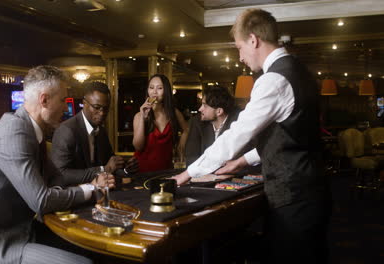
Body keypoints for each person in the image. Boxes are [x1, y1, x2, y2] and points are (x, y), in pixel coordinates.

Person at [174, 9, 330, 264]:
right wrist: (241, 162)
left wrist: (188, 173)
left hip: (294, 196)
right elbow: (290, 136)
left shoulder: (273, 80)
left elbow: (236, 135)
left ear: (253, 40)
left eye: (239, 47)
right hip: (311, 190)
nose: (240, 57)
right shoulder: (299, 70)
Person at [0, 66, 113, 264]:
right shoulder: (13, 132)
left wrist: (95, 181)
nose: (67, 107)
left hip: (26, 228)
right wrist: (91, 189)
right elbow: (41, 201)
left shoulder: (32, 129)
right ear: (44, 100)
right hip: (1, 243)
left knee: (94, 250)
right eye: (63, 100)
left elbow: (57, 178)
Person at [51, 81, 138, 185]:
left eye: (105, 109)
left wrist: (125, 170)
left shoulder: (101, 131)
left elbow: (111, 164)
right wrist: (103, 169)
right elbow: (61, 174)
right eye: (96, 107)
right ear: (84, 103)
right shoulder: (67, 130)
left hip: (100, 192)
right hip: (74, 195)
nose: (102, 113)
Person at [132, 74, 189, 172]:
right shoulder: (139, 115)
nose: (154, 92)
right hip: (142, 171)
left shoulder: (173, 113)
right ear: (148, 90)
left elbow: (186, 129)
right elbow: (138, 146)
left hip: (166, 170)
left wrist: (181, 146)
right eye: (151, 87)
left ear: (165, 91)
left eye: (159, 88)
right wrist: (143, 117)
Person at [185, 85, 240, 166]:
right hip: (202, 175)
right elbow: (191, 157)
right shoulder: (197, 122)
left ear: (219, 111)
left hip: (233, 174)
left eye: (205, 105)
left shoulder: (238, 122)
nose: (200, 109)